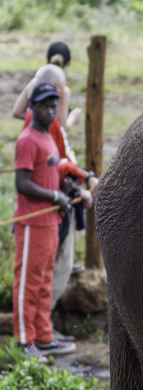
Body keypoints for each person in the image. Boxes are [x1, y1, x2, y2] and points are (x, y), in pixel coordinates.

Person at [13, 83, 77, 357]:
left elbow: (47, 174)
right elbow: (22, 183)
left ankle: (43, 336)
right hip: (32, 223)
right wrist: (54, 196)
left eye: (53, 106)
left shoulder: (48, 137)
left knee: (44, 281)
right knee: (28, 281)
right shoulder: (27, 140)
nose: (50, 111)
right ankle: (25, 341)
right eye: (44, 106)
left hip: (51, 222)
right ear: (32, 107)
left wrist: (64, 188)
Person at [12, 42, 81, 132]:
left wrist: (37, 117)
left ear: (47, 61)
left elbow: (17, 112)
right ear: (68, 63)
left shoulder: (34, 82)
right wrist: (73, 118)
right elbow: (62, 127)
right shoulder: (63, 90)